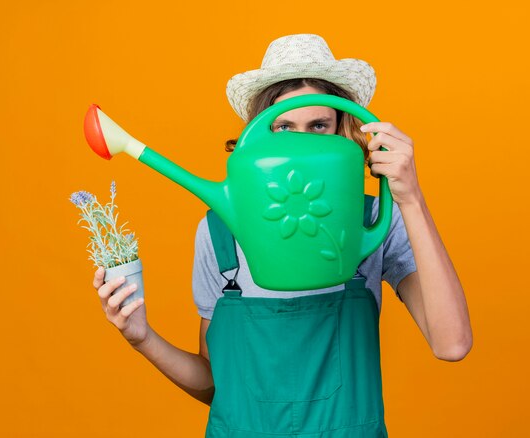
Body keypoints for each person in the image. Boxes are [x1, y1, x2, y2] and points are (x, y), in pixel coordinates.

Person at [92, 34, 472, 437]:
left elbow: (451, 345)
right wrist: (142, 338)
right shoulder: (220, 234)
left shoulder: (374, 222)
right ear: (260, 135)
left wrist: (410, 199)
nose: (299, 141)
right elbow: (216, 384)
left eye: (318, 126)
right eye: (283, 126)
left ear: (342, 129)